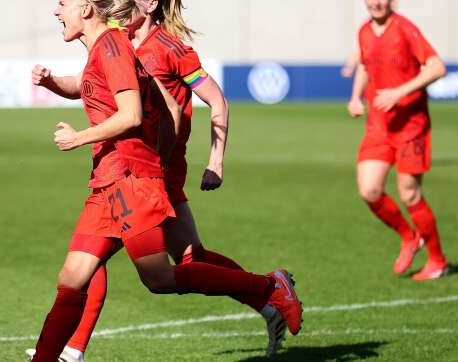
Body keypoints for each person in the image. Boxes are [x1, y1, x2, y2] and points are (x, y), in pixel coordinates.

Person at [29, 1, 302, 361]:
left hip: (135, 179)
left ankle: (269, 288)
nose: (55, 11)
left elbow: (168, 109)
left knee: (165, 275)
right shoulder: (114, 44)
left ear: (84, 9)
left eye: (62, 3)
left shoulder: (132, 47)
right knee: (76, 274)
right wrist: (51, 82)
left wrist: (91, 140)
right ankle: (62, 354)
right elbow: (105, 89)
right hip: (112, 181)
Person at [347, 0, 449, 280]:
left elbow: (437, 67)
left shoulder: (405, 29)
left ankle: (438, 261)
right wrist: (356, 96)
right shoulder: (365, 31)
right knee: (369, 191)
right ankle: (410, 236)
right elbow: (366, 67)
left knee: (409, 193)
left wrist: (398, 92)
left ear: (393, 1)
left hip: (410, 126)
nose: (376, 3)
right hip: (379, 127)